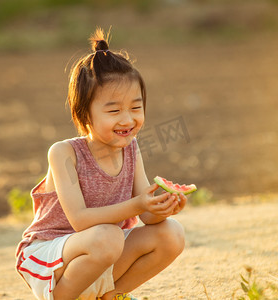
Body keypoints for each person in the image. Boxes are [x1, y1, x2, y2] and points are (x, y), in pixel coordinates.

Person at [15, 28, 187, 300]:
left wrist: (163, 208)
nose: (128, 120)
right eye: (114, 110)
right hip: (51, 255)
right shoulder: (64, 153)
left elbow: (146, 215)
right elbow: (80, 220)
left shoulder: (132, 148)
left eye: (136, 107)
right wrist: (139, 204)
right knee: (109, 236)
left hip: (103, 251)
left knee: (171, 234)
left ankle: (110, 295)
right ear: (84, 113)